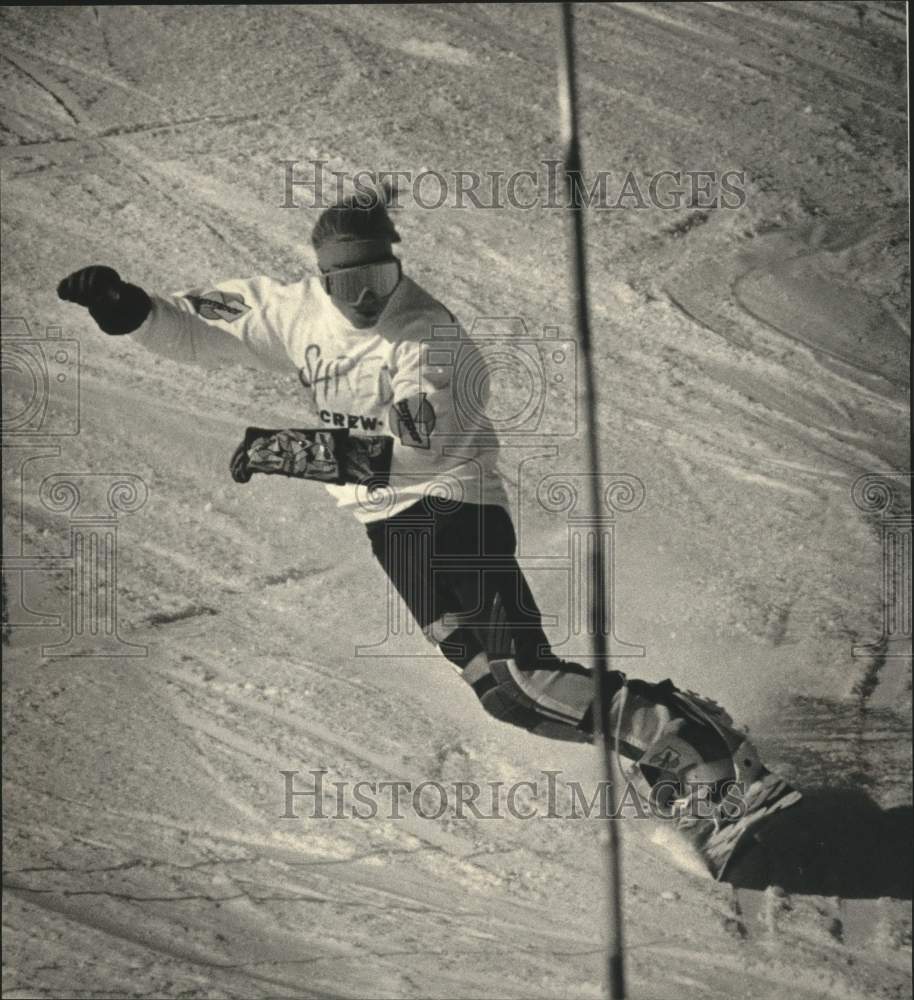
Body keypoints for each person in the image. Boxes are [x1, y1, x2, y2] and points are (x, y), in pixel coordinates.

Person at [57, 189, 797, 878]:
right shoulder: (292, 311)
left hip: (452, 502)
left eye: (379, 276)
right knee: (502, 696)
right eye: (349, 283)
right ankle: (685, 733)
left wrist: (293, 450)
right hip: (386, 524)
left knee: (522, 672)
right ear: (323, 278)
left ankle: (703, 755)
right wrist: (124, 306)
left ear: (396, 265)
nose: (366, 297)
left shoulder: (428, 338)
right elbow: (191, 329)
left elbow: (413, 453)